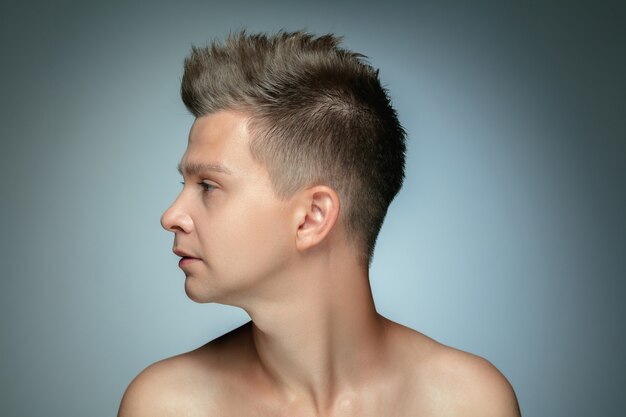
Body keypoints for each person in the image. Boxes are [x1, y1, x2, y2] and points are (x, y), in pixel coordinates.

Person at [118, 30, 521, 417]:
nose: (171, 216)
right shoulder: (167, 406)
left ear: (313, 217)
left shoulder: (466, 404)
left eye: (208, 185)